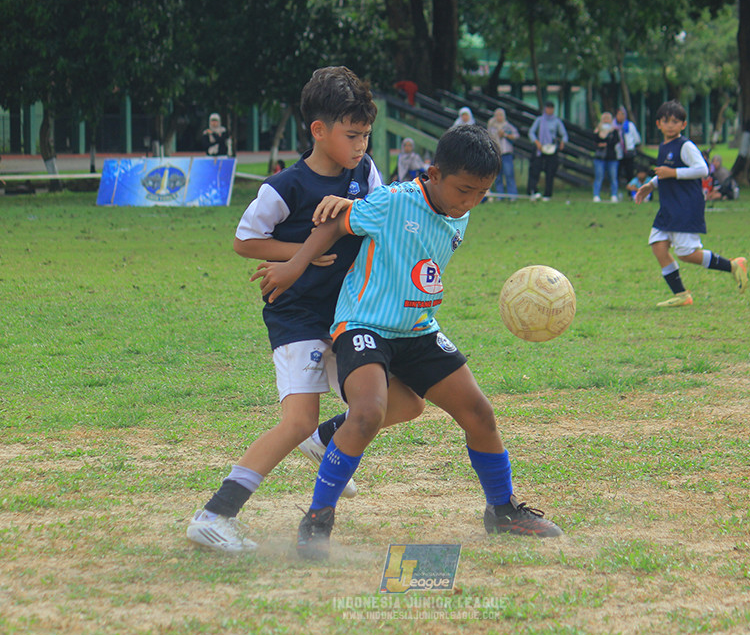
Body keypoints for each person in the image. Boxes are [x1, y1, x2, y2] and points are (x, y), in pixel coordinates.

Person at [253, 125, 563, 561]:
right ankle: (317, 521)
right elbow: (336, 226)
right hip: (363, 325)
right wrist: (296, 264)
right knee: (366, 413)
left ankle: (503, 511)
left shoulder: (461, 211)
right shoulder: (394, 201)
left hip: (418, 327)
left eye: (481, 193)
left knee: (480, 413)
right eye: (463, 190)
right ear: (434, 173)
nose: (470, 201)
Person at [186, 66, 424, 553]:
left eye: (366, 135)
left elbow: (378, 220)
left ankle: (324, 441)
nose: (361, 145)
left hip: (350, 315)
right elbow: (245, 241)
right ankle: (214, 515)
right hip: (296, 316)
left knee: (406, 402)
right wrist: (300, 255)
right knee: (295, 421)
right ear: (319, 130)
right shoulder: (286, 186)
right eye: (352, 135)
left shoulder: (366, 174)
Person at [633, 100, 749, 308]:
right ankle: (681, 294)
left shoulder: (685, 146)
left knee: (686, 254)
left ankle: (733, 265)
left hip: (685, 205)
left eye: (675, 121)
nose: (670, 125)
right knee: (659, 247)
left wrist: (673, 173)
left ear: (683, 125)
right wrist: (651, 184)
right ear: (658, 124)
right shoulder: (664, 146)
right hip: (669, 206)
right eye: (666, 121)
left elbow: (702, 169)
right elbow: (665, 173)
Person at [527, 101, 568, 201]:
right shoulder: (539, 120)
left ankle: (547, 194)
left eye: (551, 108)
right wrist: (536, 142)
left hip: (551, 149)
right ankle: (533, 191)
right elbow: (531, 132)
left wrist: (563, 142)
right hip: (540, 149)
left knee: (550, 171)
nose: (549, 110)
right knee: (535, 170)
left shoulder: (557, 121)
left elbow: (564, 134)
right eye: (548, 108)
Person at [487, 108, 519, 198]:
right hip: (496, 154)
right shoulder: (492, 127)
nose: (499, 117)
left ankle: (513, 196)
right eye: (497, 115)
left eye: (500, 115)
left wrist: (505, 135)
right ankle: (500, 196)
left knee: (509, 175)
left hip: (506, 154)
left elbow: (516, 135)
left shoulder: (508, 126)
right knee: (497, 177)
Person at [592, 111, 622, 202]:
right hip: (600, 157)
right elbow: (595, 141)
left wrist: (606, 143)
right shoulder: (597, 130)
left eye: (608, 118)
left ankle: (614, 195)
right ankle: (596, 195)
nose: (606, 120)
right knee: (599, 176)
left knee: (613, 177)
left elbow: (615, 142)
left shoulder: (614, 131)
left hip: (612, 157)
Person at [616, 106, 641, 181]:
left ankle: (631, 189)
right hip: (618, 152)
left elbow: (636, 138)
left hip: (628, 151)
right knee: (617, 171)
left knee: (629, 171)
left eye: (622, 114)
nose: (621, 116)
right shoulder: (614, 126)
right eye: (619, 114)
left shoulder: (629, 125)